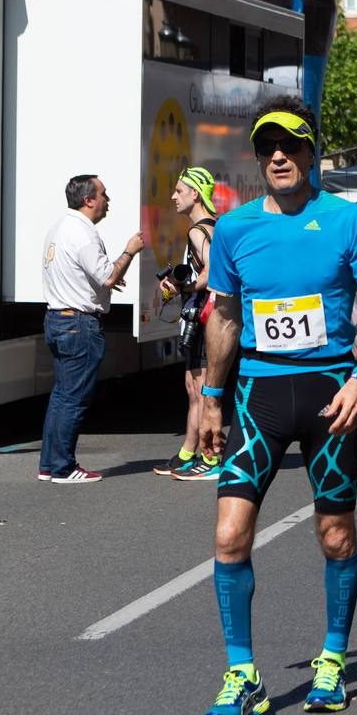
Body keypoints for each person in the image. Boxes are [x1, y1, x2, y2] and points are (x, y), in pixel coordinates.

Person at [197, 97, 357, 715]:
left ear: (313, 152)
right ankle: (242, 674)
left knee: (335, 535)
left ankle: (333, 658)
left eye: (290, 144)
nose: (277, 156)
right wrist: (209, 396)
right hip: (258, 396)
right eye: (266, 147)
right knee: (229, 535)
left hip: (330, 395)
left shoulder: (347, 221)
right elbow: (224, 318)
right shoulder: (233, 229)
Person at [38, 175, 144, 484]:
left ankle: (50, 464)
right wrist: (130, 250)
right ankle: (62, 467)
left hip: (58, 318)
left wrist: (105, 281)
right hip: (78, 324)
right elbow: (107, 276)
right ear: (89, 200)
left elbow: (89, 275)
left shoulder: (60, 227)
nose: (107, 200)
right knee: (73, 398)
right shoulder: (82, 232)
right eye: (103, 194)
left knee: (61, 395)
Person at [154, 166, 221, 480]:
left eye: (179, 191)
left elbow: (209, 274)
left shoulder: (198, 230)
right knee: (194, 388)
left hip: (205, 318)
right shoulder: (215, 225)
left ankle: (210, 458)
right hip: (206, 317)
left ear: (195, 194)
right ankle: (187, 453)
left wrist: (180, 287)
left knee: (205, 390)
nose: (173, 197)